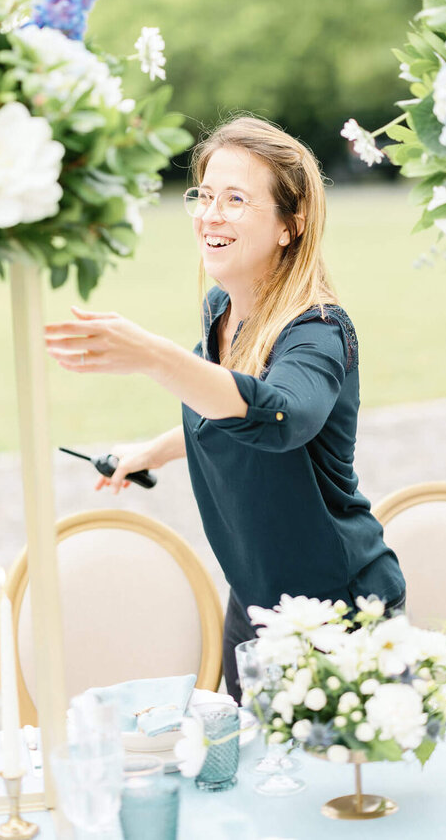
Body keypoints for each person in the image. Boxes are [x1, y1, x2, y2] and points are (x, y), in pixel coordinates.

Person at [44, 115, 405, 703]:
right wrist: (151, 451)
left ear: (291, 224)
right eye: (205, 195)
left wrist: (152, 356)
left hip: (341, 616)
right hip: (255, 604)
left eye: (236, 199)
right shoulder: (222, 308)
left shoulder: (317, 329)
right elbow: (221, 404)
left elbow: (278, 419)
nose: (210, 214)